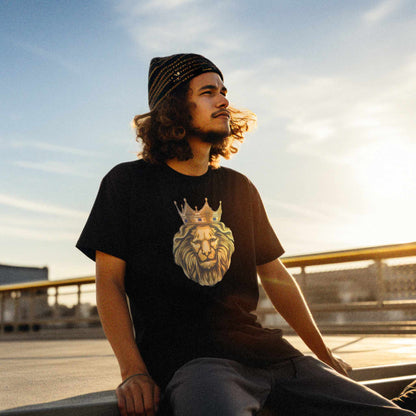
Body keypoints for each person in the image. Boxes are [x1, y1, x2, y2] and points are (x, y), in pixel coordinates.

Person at [76, 53, 415, 416]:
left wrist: (324, 355)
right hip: (195, 364)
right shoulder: (127, 183)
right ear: (173, 107)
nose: (224, 100)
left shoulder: (239, 186)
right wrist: (133, 372)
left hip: (275, 357)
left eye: (224, 91)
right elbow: (109, 282)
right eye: (208, 92)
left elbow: (276, 275)